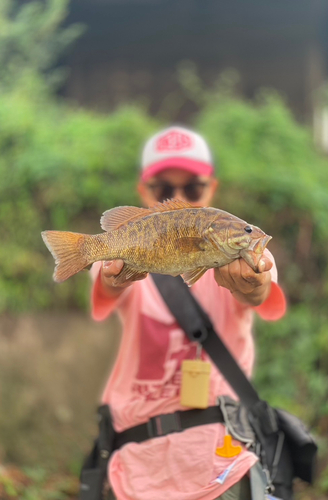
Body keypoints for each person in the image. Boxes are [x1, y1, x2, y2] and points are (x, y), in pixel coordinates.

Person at [89, 126, 287, 500]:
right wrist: (113, 278)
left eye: (192, 188)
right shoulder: (124, 250)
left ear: (210, 188)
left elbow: (260, 289)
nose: (177, 197)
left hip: (223, 467)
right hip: (133, 471)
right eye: (163, 189)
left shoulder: (247, 258)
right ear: (143, 192)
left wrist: (254, 282)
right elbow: (105, 286)